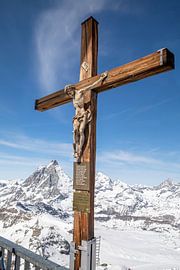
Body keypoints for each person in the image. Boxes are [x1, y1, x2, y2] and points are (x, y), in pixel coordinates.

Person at [65, 72, 107, 162]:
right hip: (77, 116)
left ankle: (80, 150)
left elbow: (91, 86)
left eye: (69, 91)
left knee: (81, 131)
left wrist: (101, 78)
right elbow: (76, 108)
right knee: (75, 132)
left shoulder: (80, 92)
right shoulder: (72, 99)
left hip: (84, 114)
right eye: (68, 93)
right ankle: (76, 149)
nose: (69, 94)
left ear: (72, 89)